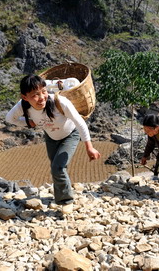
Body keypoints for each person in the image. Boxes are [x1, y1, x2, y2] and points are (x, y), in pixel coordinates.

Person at [6, 74, 101, 214]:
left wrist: (89, 147)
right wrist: (27, 122)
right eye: (35, 95)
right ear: (25, 97)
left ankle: (66, 201)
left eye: (43, 92)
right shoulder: (23, 106)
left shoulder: (59, 102)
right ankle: (59, 197)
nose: (41, 97)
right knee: (55, 167)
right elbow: (9, 118)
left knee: (58, 167)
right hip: (51, 137)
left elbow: (79, 122)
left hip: (70, 135)